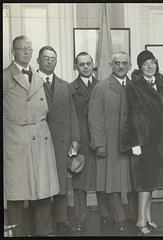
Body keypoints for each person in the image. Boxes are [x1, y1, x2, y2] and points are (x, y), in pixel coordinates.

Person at [3, 35, 60, 236]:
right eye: (22, 49)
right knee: (16, 191)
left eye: (29, 49)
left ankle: (44, 232)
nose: (27, 52)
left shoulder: (37, 77)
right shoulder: (5, 77)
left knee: (43, 190)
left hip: (40, 137)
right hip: (16, 140)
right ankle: (16, 233)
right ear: (13, 52)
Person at [120, 50, 163, 235]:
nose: (150, 67)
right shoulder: (133, 86)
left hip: (159, 141)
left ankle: (149, 218)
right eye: (146, 64)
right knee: (144, 184)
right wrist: (133, 143)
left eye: (153, 63)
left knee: (153, 183)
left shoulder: (159, 84)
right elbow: (127, 115)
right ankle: (140, 221)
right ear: (140, 67)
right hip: (143, 142)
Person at [89, 52, 138, 235]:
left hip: (132, 145)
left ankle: (133, 216)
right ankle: (120, 219)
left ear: (130, 65)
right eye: (117, 63)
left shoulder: (134, 86)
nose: (121, 66)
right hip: (110, 145)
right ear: (111, 64)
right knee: (112, 185)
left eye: (124, 63)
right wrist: (99, 144)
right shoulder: (102, 87)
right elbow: (94, 119)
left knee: (132, 183)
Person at [37, 46, 81, 235]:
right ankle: (42, 225)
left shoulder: (64, 85)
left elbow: (71, 114)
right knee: (43, 184)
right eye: (46, 58)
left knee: (62, 183)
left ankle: (61, 220)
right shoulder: (31, 83)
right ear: (38, 61)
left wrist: (76, 139)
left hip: (62, 141)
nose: (50, 61)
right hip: (39, 141)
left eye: (53, 58)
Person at [69, 52, 98, 234]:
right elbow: (70, 117)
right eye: (81, 64)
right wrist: (74, 140)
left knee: (102, 179)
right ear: (76, 66)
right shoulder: (70, 88)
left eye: (88, 63)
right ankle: (80, 219)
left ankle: (108, 214)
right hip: (80, 139)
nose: (86, 67)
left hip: (99, 138)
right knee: (79, 181)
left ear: (93, 64)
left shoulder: (103, 85)